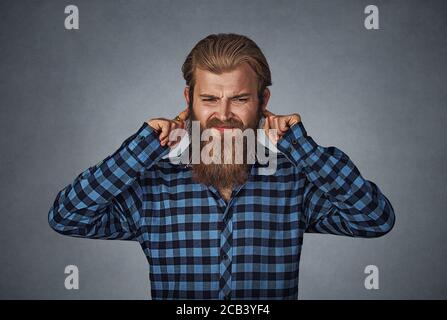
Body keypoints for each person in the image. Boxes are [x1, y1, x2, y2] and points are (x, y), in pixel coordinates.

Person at [48, 33, 395, 300]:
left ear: (263, 102)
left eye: (240, 99)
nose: (224, 114)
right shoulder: (152, 184)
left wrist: (301, 147)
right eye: (210, 99)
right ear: (189, 101)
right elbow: (67, 217)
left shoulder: (293, 180)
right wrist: (142, 148)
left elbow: (374, 220)